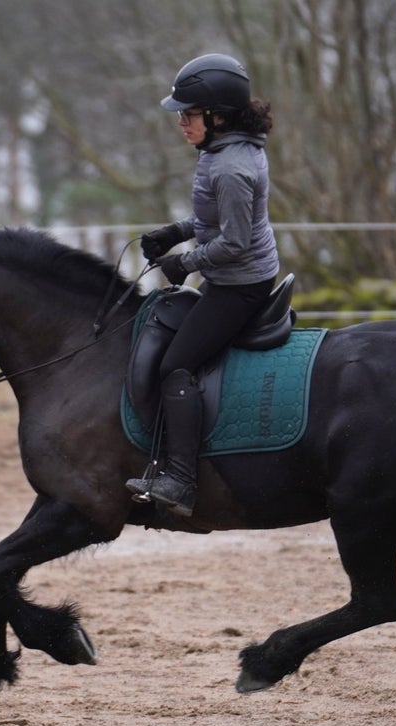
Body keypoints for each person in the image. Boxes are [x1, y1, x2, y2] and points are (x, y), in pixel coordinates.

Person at [126, 53, 279, 518]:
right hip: (231, 276)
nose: (181, 123)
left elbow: (234, 242)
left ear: (218, 116)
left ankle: (180, 480)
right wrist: (175, 232)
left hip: (240, 285)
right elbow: (213, 218)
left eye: (189, 115)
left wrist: (183, 263)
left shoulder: (231, 167)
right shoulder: (223, 152)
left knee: (176, 365)